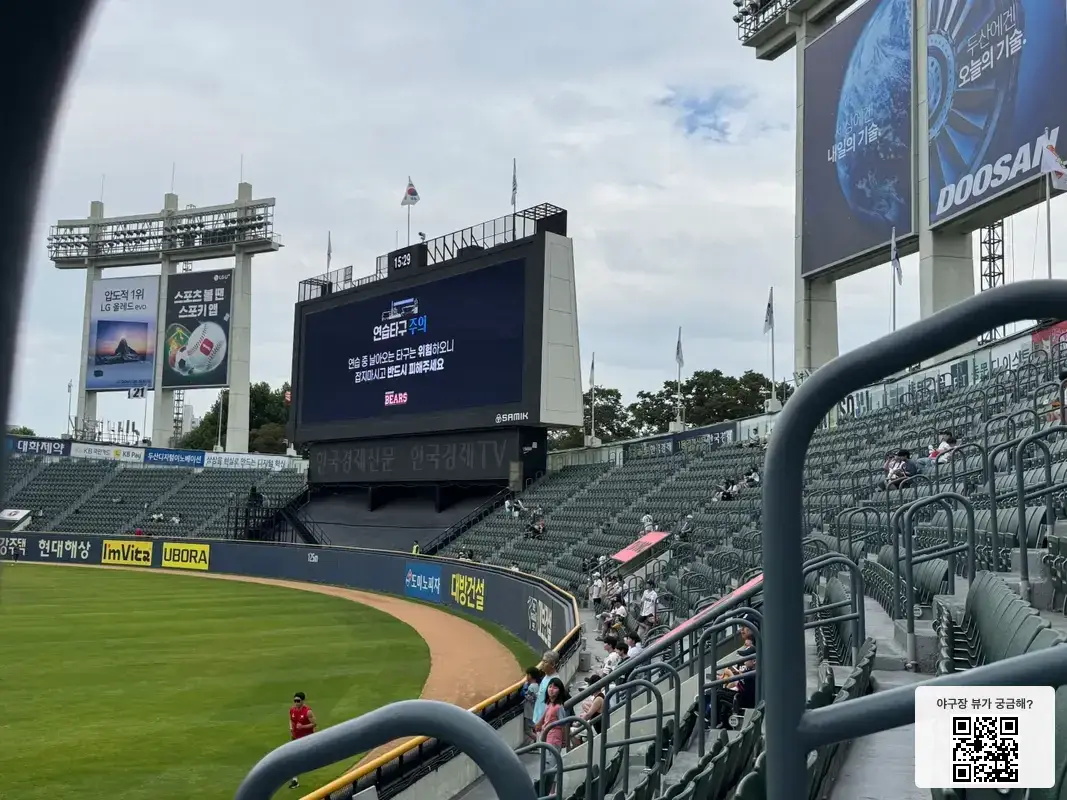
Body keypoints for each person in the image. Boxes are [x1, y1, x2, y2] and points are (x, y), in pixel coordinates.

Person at [288, 692, 317, 788]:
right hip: (296, 738)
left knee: (304, 760)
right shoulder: (292, 710)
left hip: (306, 739)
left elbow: (314, 724)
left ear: (303, 701)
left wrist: (303, 727)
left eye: (298, 701)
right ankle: (295, 780)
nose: (296, 703)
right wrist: (291, 728)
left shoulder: (308, 712)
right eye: (295, 701)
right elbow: (291, 720)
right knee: (293, 759)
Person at [536, 677, 571, 751]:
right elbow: (545, 716)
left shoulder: (558, 707)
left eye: (555, 688)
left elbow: (563, 724)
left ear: (560, 691)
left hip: (554, 740)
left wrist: (564, 740)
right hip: (546, 737)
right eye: (550, 687)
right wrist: (539, 724)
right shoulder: (549, 703)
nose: (551, 689)